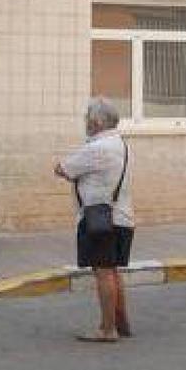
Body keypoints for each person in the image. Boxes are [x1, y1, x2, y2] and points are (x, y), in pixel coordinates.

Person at [54, 97, 134, 343]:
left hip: (100, 219)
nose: (85, 122)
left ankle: (107, 329)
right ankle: (121, 323)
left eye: (88, 118)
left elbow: (62, 168)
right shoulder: (119, 143)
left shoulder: (97, 147)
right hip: (121, 217)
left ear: (97, 121)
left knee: (103, 273)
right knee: (112, 271)